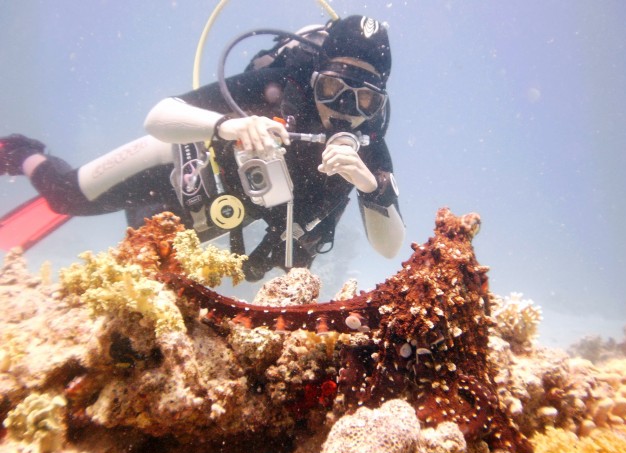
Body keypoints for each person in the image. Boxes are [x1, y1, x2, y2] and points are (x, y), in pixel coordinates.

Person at [0, 15, 405, 281]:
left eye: (364, 99)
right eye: (333, 88)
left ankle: (144, 211)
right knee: (66, 196)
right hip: (185, 162)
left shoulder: (369, 147)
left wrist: (372, 187)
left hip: (220, 210)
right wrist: (229, 125)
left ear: (378, 105)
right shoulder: (279, 87)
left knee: (156, 252)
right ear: (315, 77)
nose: (345, 108)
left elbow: (388, 250)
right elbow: (158, 116)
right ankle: (22, 152)